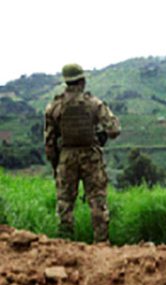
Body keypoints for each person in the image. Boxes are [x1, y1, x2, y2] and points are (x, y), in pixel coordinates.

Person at [44, 64, 121, 242]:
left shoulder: (54, 106)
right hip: (91, 157)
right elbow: (115, 129)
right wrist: (100, 137)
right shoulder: (94, 103)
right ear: (82, 81)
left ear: (66, 81)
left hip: (66, 158)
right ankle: (101, 244)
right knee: (97, 201)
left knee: (65, 203)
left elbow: (49, 142)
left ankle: (65, 244)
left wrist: (56, 164)